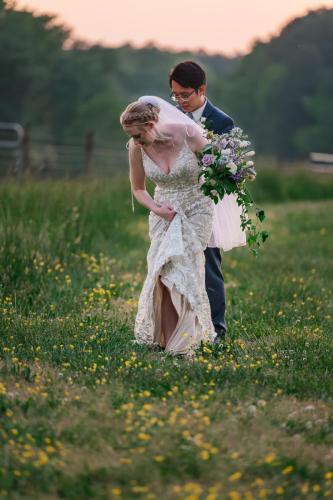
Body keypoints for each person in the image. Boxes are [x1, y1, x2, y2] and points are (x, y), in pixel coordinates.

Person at [120, 96, 216, 355]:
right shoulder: (135, 147)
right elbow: (138, 189)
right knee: (162, 274)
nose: (135, 141)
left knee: (183, 269)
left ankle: (185, 342)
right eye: (131, 137)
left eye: (139, 135)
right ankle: (168, 341)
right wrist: (157, 209)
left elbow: (215, 169)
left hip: (196, 208)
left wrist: (228, 173)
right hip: (163, 212)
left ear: (152, 124)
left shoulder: (188, 133)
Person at [169, 60, 246, 343]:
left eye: (185, 94)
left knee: (209, 262)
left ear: (201, 89)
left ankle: (217, 329)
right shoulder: (171, 117)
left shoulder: (221, 121)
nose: (180, 101)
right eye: (175, 95)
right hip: (179, 200)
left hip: (208, 201)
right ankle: (180, 325)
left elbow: (229, 168)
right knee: (176, 260)